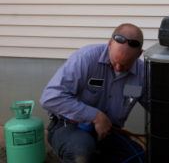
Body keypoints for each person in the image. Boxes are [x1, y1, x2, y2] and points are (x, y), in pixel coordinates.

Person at [40, 23, 147, 163]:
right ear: (109, 44)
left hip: (109, 132)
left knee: (138, 158)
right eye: (115, 62)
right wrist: (95, 116)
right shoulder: (85, 58)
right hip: (69, 126)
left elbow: (158, 106)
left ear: (139, 54)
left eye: (126, 64)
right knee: (82, 151)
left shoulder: (142, 74)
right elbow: (50, 98)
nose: (119, 68)